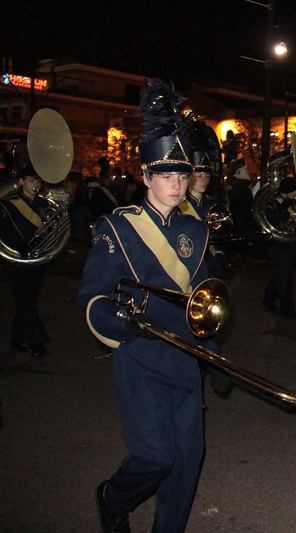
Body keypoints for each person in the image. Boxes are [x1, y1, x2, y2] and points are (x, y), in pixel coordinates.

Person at [78, 78, 217, 533]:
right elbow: (92, 298)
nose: (176, 185)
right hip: (139, 356)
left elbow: (201, 300)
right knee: (156, 457)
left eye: (182, 175)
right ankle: (112, 498)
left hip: (184, 357)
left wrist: (212, 353)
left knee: (187, 462)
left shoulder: (196, 232)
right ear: (145, 177)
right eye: (165, 176)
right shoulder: (116, 228)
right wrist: (121, 322)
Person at [179, 117, 232, 399]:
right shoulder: (177, 204)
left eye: (207, 171)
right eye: (199, 171)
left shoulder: (213, 206)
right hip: (182, 278)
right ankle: (212, 377)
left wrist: (218, 259)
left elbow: (222, 242)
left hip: (208, 277)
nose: (204, 176)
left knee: (203, 331)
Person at [0, 165, 52, 357]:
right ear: (21, 182)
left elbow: (52, 230)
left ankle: (16, 339)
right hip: (16, 260)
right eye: (31, 180)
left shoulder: (43, 204)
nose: (35, 184)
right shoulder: (7, 204)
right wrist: (15, 246)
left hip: (37, 260)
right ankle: (36, 343)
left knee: (27, 301)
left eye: (38, 180)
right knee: (26, 302)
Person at [262, 177, 296, 317]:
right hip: (278, 244)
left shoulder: (293, 203)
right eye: (294, 190)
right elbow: (272, 220)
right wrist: (284, 208)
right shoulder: (273, 204)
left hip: (290, 243)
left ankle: (268, 300)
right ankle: (287, 308)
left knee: (279, 274)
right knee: (285, 277)